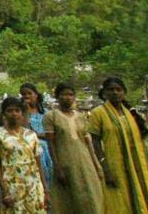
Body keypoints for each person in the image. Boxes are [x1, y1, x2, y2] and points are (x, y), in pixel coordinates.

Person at [88, 76, 148, 214]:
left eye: (118, 89)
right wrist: (105, 169)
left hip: (139, 166)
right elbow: (95, 143)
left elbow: (141, 143)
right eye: (111, 90)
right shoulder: (98, 113)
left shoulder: (130, 113)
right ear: (104, 93)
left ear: (124, 92)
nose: (115, 93)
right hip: (116, 167)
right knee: (119, 202)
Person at [43, 82, 102, 214]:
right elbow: (51, 144)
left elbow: (88, 143)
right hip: (66, 164)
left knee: (91, 197)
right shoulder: (51, 116)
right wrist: (58, 168)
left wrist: (97, 165)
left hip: (85, 162)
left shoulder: (81, 117)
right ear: (57, 97)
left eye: (71, 94)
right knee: (69, 200)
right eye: (64, 94)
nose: (68, 98)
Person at [0, 97, 48, 214]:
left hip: (33, 186)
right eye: (9, 111)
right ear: (4, 113)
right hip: (12, 187)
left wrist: (45, 190)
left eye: (17, 110)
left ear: (21, 113)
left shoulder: (31, 135)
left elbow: (38, 164)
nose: (14, 114)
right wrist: (4, 192)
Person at [19, 84, 52, 190]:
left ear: (36, 95)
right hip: (32, 149)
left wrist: (38, 134)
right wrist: (25, 110)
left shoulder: (46, 112)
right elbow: (24, 131)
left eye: (29, 93)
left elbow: (51, 133)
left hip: (48, 148)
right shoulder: (22, 115)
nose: (26, 96)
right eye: (24, 94)